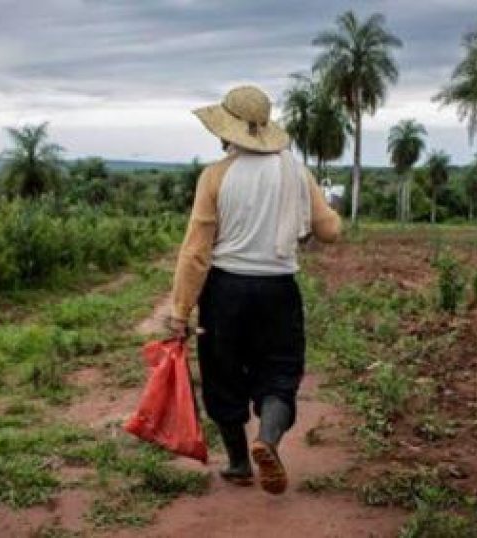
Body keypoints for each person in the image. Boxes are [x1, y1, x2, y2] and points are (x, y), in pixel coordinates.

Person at [166, 85, 341, 494]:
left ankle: (241, 462)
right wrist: (323, 210)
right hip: (279, 291)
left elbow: (196, 251)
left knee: (223, 374)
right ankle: (269, 439)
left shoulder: (215, 175)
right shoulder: (296, 172)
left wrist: (180, 310)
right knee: (279, 372)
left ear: (226, 132)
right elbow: (330, 230)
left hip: (225, 292)